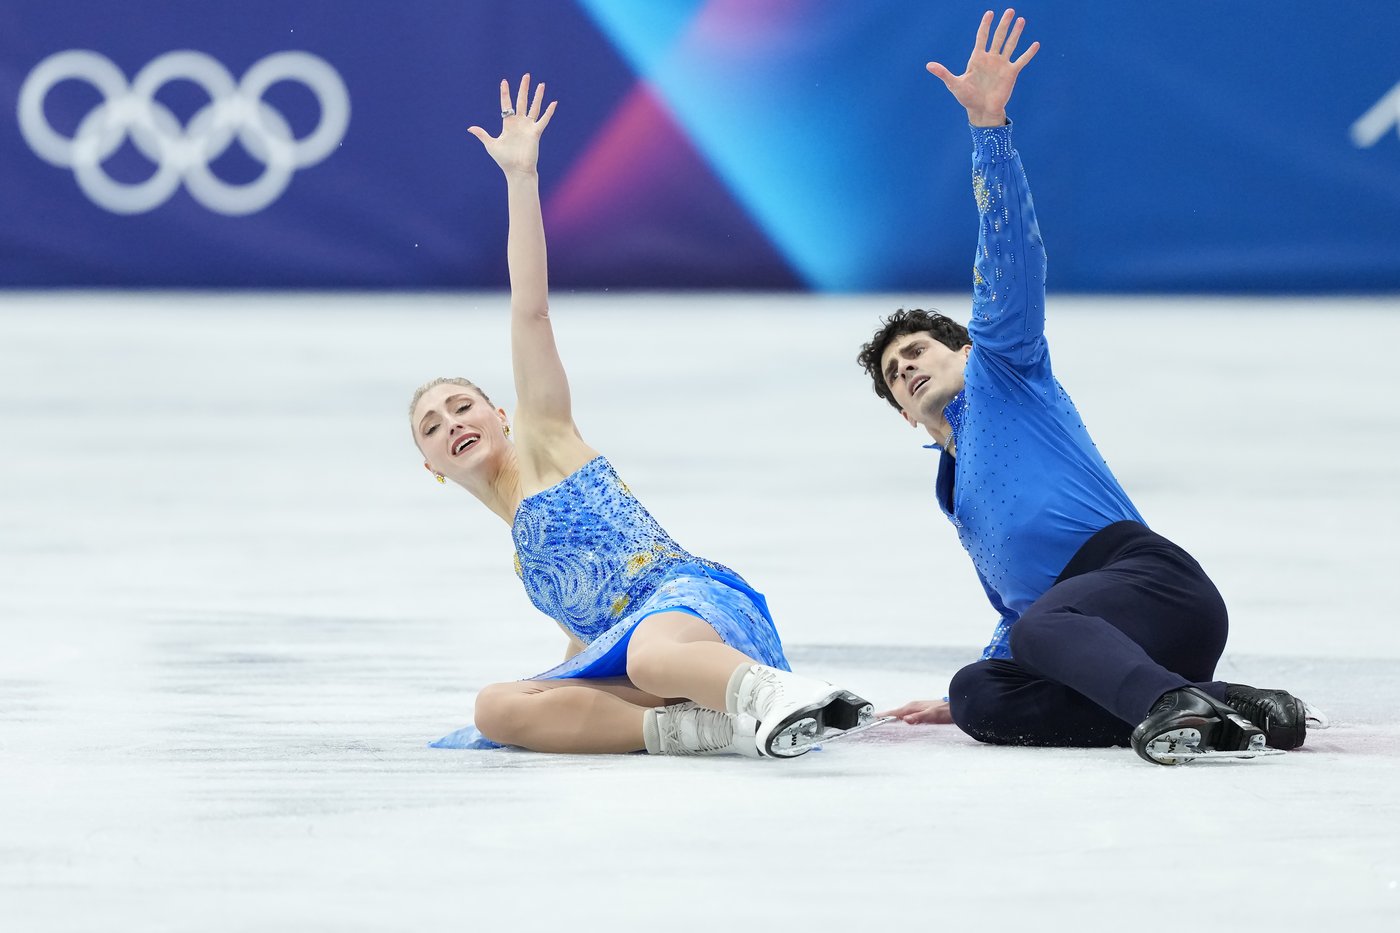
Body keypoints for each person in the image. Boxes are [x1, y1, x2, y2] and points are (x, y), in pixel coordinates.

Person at [856, 10, 1318, 764]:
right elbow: (1022, 607)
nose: (906, 367)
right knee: (979, 692)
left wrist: (989, 130)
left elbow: (1010, 256)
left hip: (1153, 587)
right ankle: (1229, 705)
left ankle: (1169, 705)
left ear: (965, 351)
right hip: (1094, 633)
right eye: (894, 375)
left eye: (917, 351)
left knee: (1042, 629)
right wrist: (977, 686)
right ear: (905, 413)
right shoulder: (954, 489)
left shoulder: (1004, 369)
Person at [413, 75, 877, 759]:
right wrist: (551, 694)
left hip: (693, 613)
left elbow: (530, 310)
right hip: (645, 664)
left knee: (651, 655)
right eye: (432, 426)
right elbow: (588, 641)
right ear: (431, 466)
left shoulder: (544, 440)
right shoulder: (526, 559)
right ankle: (715, 730)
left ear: (500, 415)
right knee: (497, 707)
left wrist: (521, 179)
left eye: (461, 405)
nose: (451, 422)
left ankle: (778, 693)